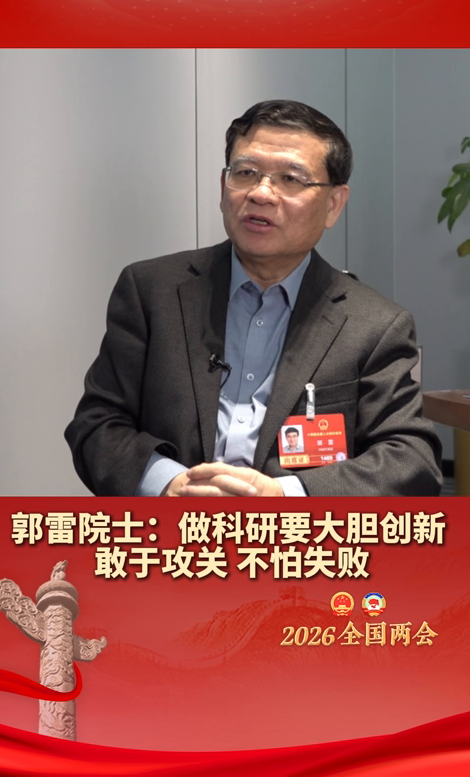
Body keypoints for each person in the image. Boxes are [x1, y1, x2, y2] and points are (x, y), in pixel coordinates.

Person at [65, 99, 442, 496]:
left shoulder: (375, 325)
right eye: (245, 173)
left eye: (291, 179)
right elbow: (97, 424)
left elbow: (411, 459)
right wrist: (169, 485)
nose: (261, 193)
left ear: (333, 205)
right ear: (223, 186)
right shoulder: (151, 291)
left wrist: (285, 497)